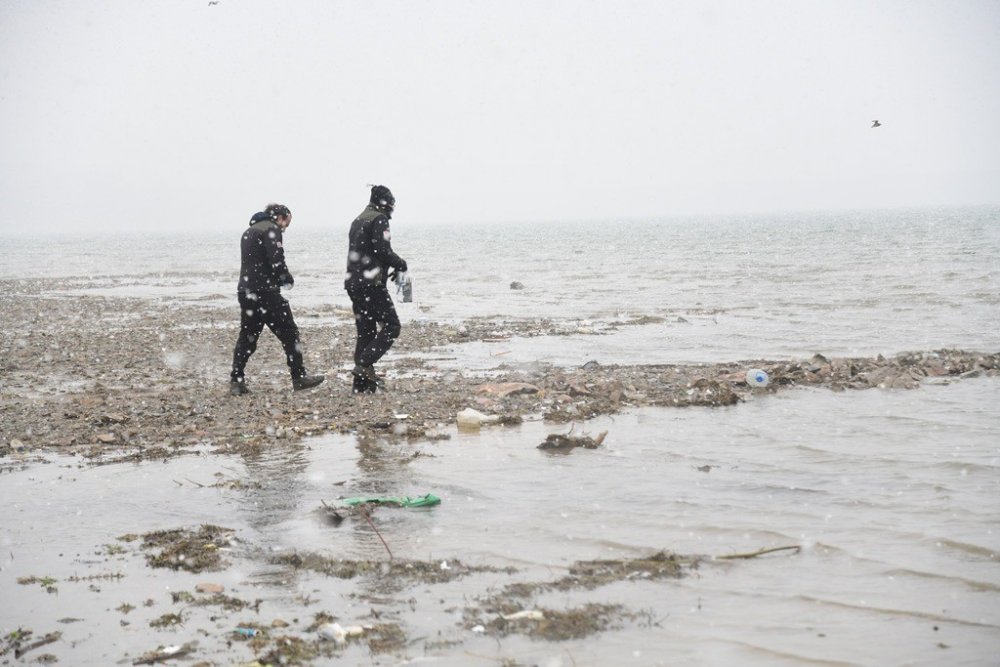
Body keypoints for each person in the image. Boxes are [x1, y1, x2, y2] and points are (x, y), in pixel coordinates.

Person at [230, 203, 325, 395]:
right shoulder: (271, 229)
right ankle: (299, 377)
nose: (284, 229)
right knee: (290, 333)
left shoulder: (249, 232)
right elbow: (276, 259)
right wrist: (286, 278)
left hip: (245, 291)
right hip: (266, 292)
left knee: (248, 336)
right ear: (280, 217)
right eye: (286, 224)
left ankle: (236, 380)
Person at [344, 185, 408, 393]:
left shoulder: (358, 220)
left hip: (353, 283)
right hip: (371, 284)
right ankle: (363, 365)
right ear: (385, 202)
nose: (393, 208)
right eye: (392, 203)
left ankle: (361, 386)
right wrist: (400, 264)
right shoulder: (379, 219)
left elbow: (367, 251)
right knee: (392, 326)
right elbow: (383, 250)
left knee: (366, 332)